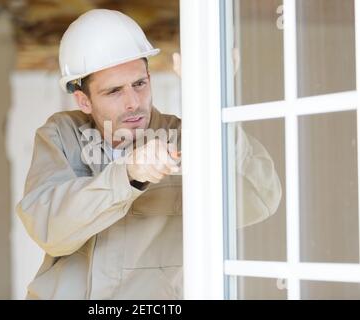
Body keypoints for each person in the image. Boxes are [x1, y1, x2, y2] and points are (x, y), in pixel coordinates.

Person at [16, 8, 282, 300]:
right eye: (114, 91)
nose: (133, 102)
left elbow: (261, 201)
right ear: (84, 101)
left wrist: (215, 105)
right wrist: (128, 174)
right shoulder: (61, 134)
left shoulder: (185, 135)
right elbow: (50, 231)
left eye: (139, 84)